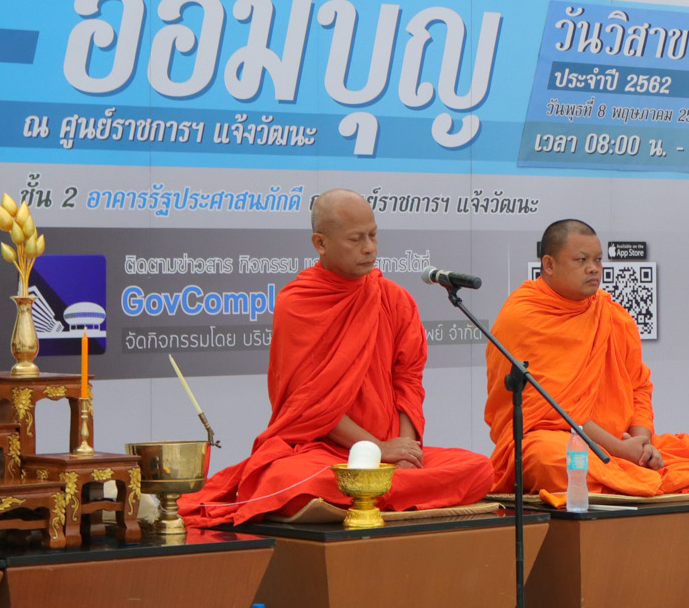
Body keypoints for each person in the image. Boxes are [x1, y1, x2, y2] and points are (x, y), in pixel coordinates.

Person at [181, 189, 493, 526]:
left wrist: (404, 450)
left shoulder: (394, 299)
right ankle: (386, 494)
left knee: (478, 469)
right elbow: (311, 404)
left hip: (390, 454)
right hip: (324, 453)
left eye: (373, 235)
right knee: (286, 480)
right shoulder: (298, 302)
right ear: (320, 243)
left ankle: (375, 493)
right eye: (356, 239)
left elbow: (408, 382)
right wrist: (376, 447)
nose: (370, 248)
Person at [486, 218, 689, 501]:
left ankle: (631, 473)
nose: (593, 269)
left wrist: (641, 442)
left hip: (619, 440)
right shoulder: (523, 317)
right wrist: (622, 451)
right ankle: (633, 475)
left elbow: (638, 387)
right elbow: (555, 410)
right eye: (581, 260)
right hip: (556, 437)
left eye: (598, 260)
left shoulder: (612, 316)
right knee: (549, 459)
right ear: (548, 265)